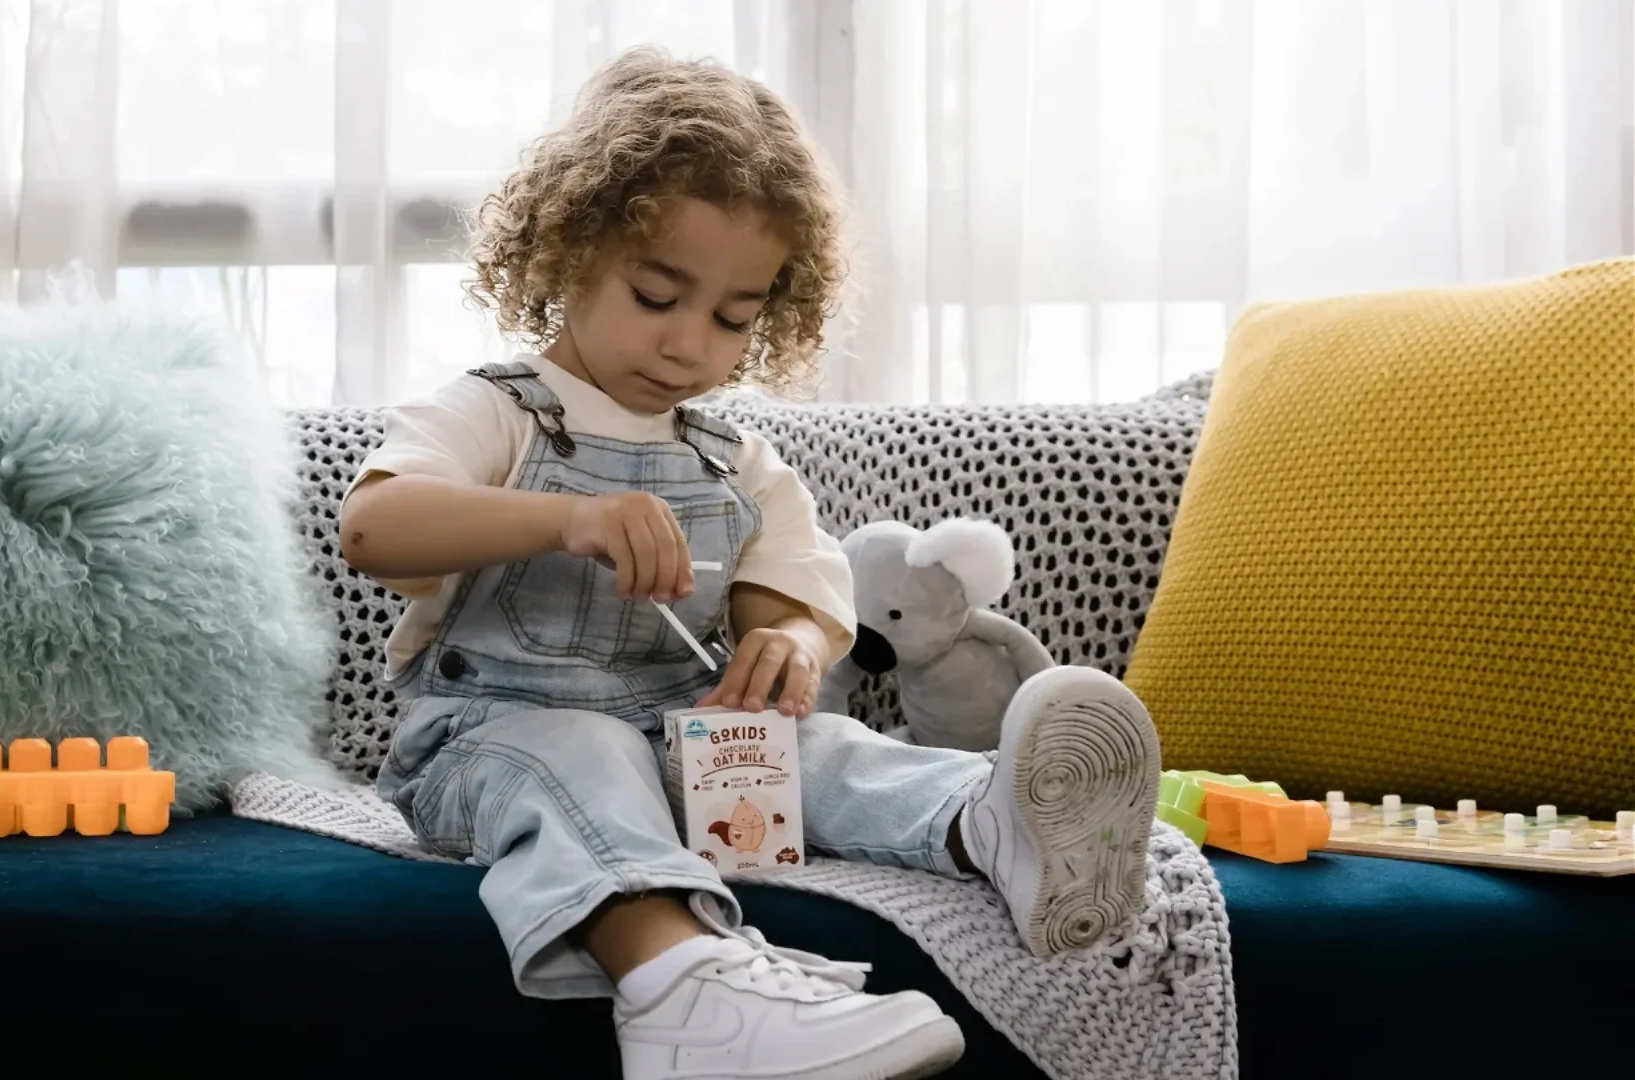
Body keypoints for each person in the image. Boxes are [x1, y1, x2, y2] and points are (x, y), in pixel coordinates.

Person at [340, 47, 1161, 1080]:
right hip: (489, 745)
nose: (689, 343)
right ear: (569, 250)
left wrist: (786, 642)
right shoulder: (497, 410)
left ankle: (992, 826)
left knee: (814, 749)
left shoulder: (736, 463)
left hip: (676, 745)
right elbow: (375, 528)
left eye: (733, 318)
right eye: (656, 294)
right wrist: (561, 522)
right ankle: (686, 998)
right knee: (584, 757)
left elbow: (800, 601)